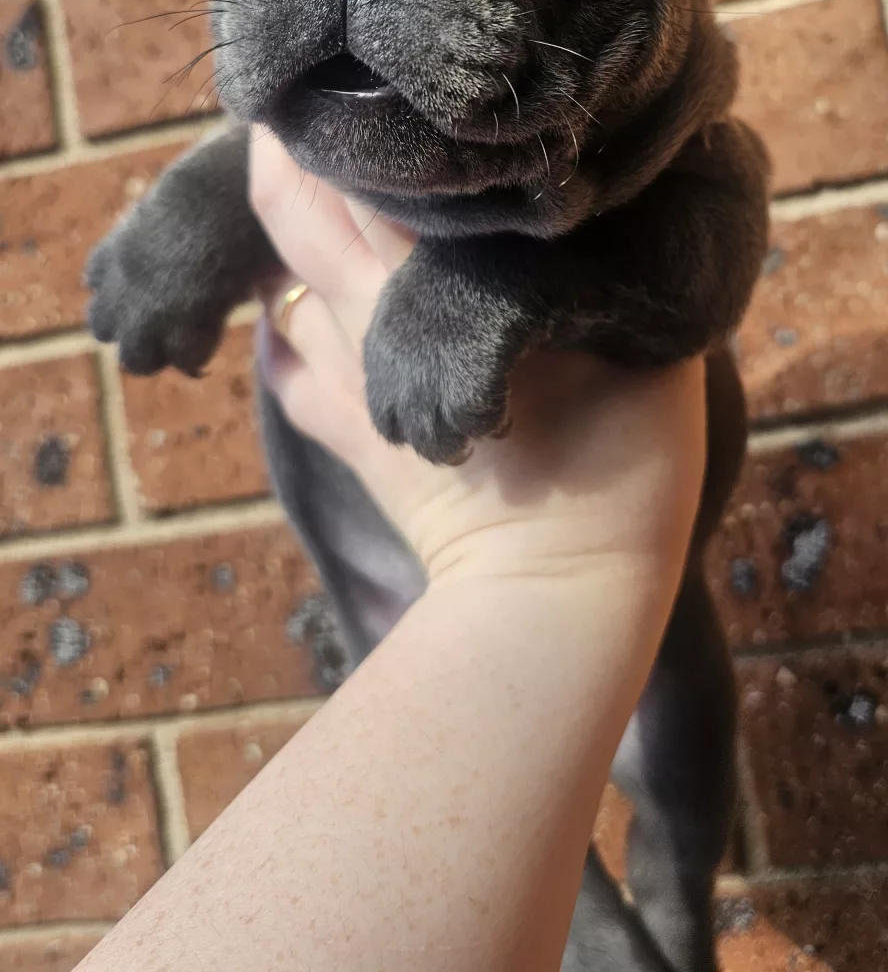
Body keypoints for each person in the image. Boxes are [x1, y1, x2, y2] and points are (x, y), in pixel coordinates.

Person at [78, 129, 707, 972]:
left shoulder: (680, 160)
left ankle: (679, 911)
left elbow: (700, 234)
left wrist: (493, 280)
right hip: (404, 584)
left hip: (612, 574)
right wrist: (195, 211)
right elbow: (279, 151)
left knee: (676, 784)